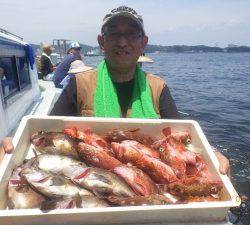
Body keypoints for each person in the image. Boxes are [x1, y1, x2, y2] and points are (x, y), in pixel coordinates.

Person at [0, 6, 229, 174]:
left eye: (131, 34)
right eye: (114, 34)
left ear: (143, 42)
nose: (122, 42)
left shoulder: (158, 88)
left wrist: (211, 152)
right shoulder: (79, 85)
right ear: (102, 41)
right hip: (93, 178)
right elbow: (44, 133)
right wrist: (15, 143)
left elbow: (182, 136)